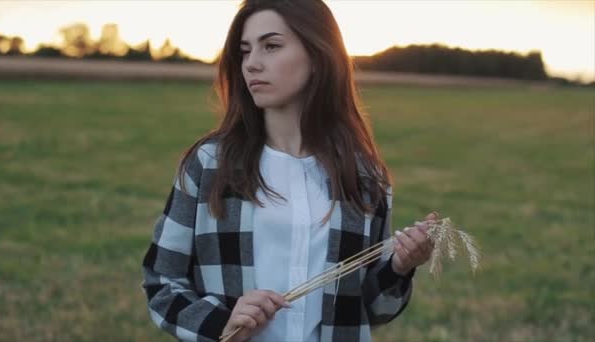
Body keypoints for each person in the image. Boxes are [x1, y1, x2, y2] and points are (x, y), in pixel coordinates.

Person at [141, 1, 436, 341]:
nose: (252, 63)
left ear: (317, 55)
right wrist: (220, 323)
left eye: (271, 46)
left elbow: (371, 311)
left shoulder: (364, 177)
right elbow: (161, 282)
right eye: (245, 51)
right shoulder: (209, 164)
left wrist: (399, 268)